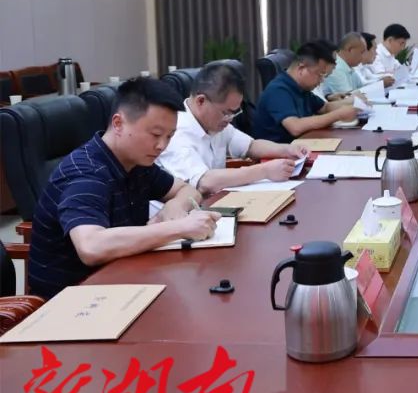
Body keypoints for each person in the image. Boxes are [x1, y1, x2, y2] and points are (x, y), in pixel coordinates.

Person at [27, 78, 220, 298]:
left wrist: (174, 207)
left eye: (169, 136)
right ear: (118, 124)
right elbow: (91, 246)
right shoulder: (86, 173)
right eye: (155, 135)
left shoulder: (137, 162)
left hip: (122, 279)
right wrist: (178, 228)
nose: (162, 146)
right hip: (71, 300)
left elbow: (187, 190)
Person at [158, 62, 310, 195]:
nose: (230, 119)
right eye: (226, 113)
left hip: (217, 201)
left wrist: (287, 149)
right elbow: (205, 182)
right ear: (201, 101)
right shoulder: (175, 132)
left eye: (234, 112)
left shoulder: (214, 123)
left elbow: (250, 146)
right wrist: (264, 171)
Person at [251, 41, 358, 143]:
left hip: (300, 144)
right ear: (301, 68)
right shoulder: (278, 90)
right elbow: (295, 127)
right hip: (278, 152)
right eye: (320, 74)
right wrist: (338, 115)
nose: (321, 81)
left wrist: (353, 103)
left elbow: (324, 108)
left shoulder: (302, 88)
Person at [321, 31, 369, 99]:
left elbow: (363, 89)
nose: (363, 57)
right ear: (350, 50)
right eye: (361, 52)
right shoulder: (336, 68)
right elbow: (350, 98)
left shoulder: (349, 66)